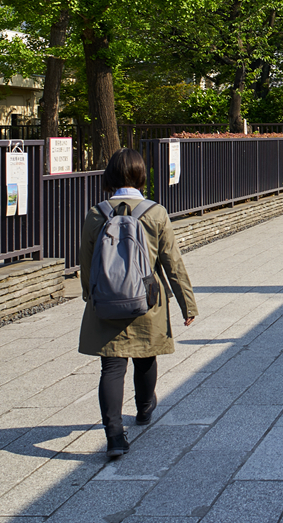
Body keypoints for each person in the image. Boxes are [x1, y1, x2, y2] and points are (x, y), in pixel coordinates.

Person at [79, 148, 197, 458]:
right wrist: (188, 304)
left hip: (106, 301)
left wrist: (89, 295)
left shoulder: (97, 212)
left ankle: (115, 437)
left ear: (111, 176)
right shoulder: (155, 213)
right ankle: (144, 409)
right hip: (147, 299)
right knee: (146, 357)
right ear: (141, 175)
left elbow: (87, 262)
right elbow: (173, 262)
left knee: (112, 367)